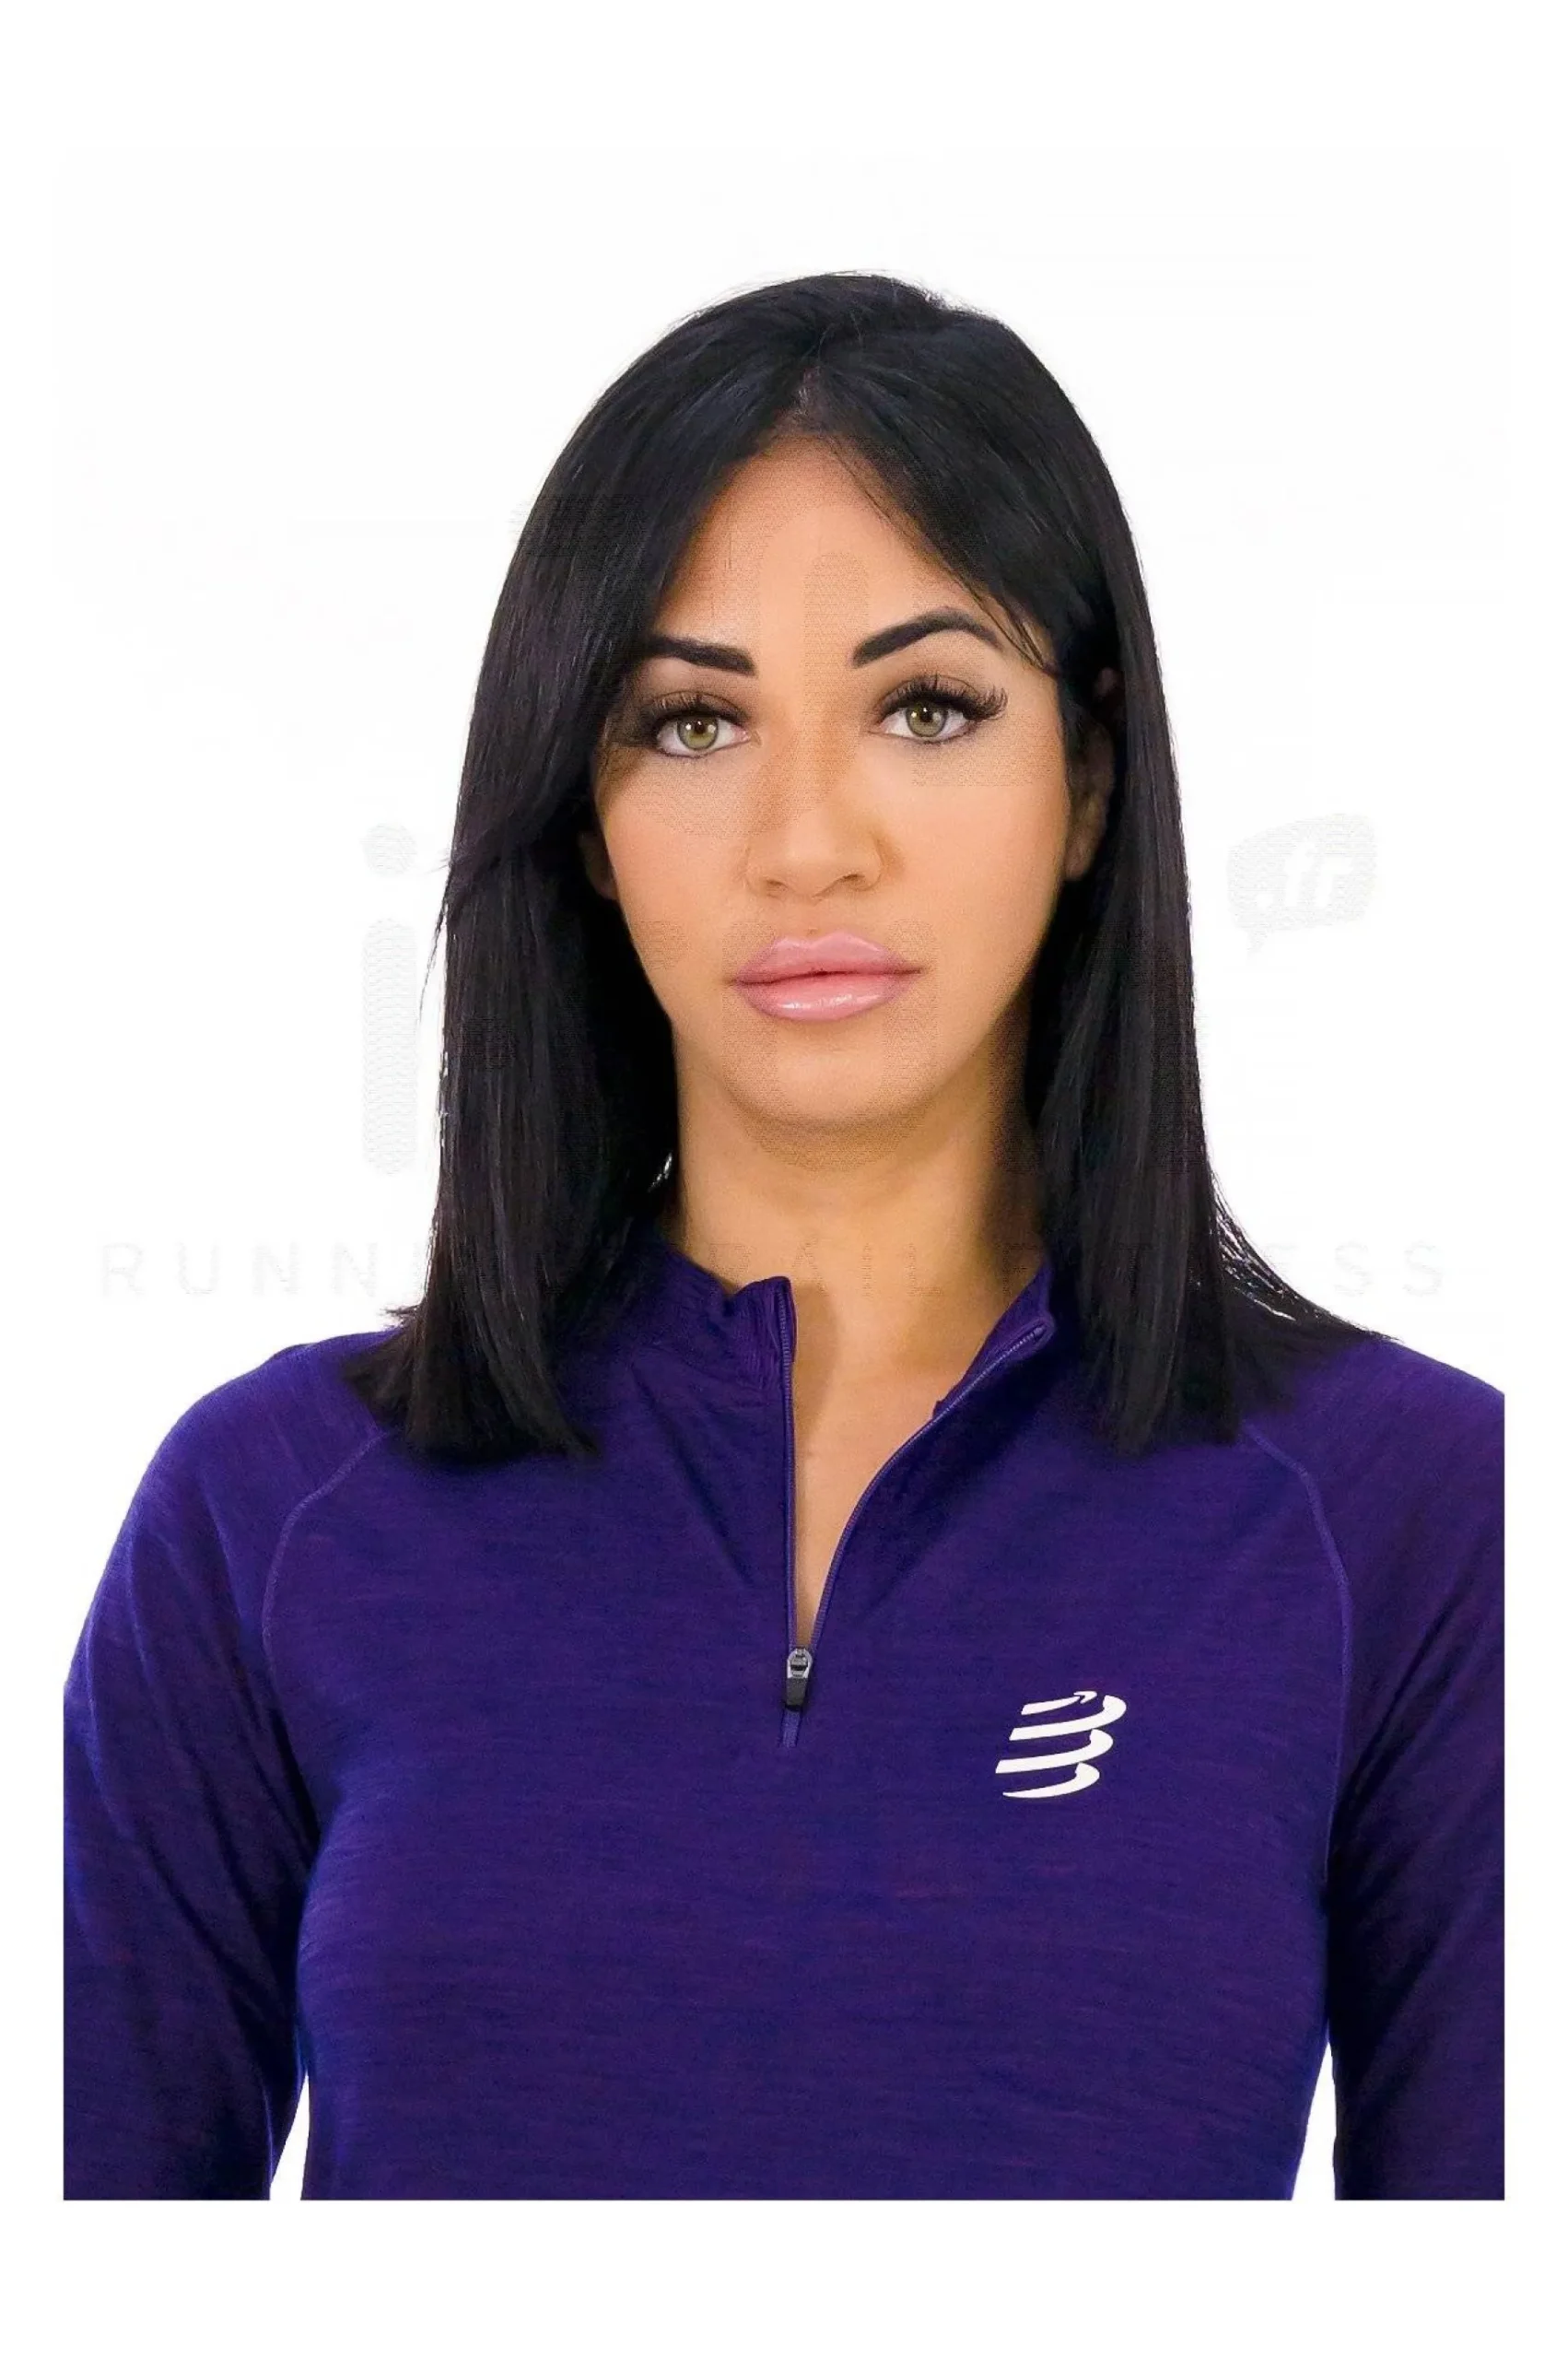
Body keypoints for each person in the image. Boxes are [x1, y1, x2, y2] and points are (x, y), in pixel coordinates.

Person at [64, 271, 1503, 2200]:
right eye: (689, 722)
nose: (807, 840)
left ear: (1083, 779)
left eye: (925, 707)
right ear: (582, 817)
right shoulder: (268, 1508)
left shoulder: (1415, 1511)